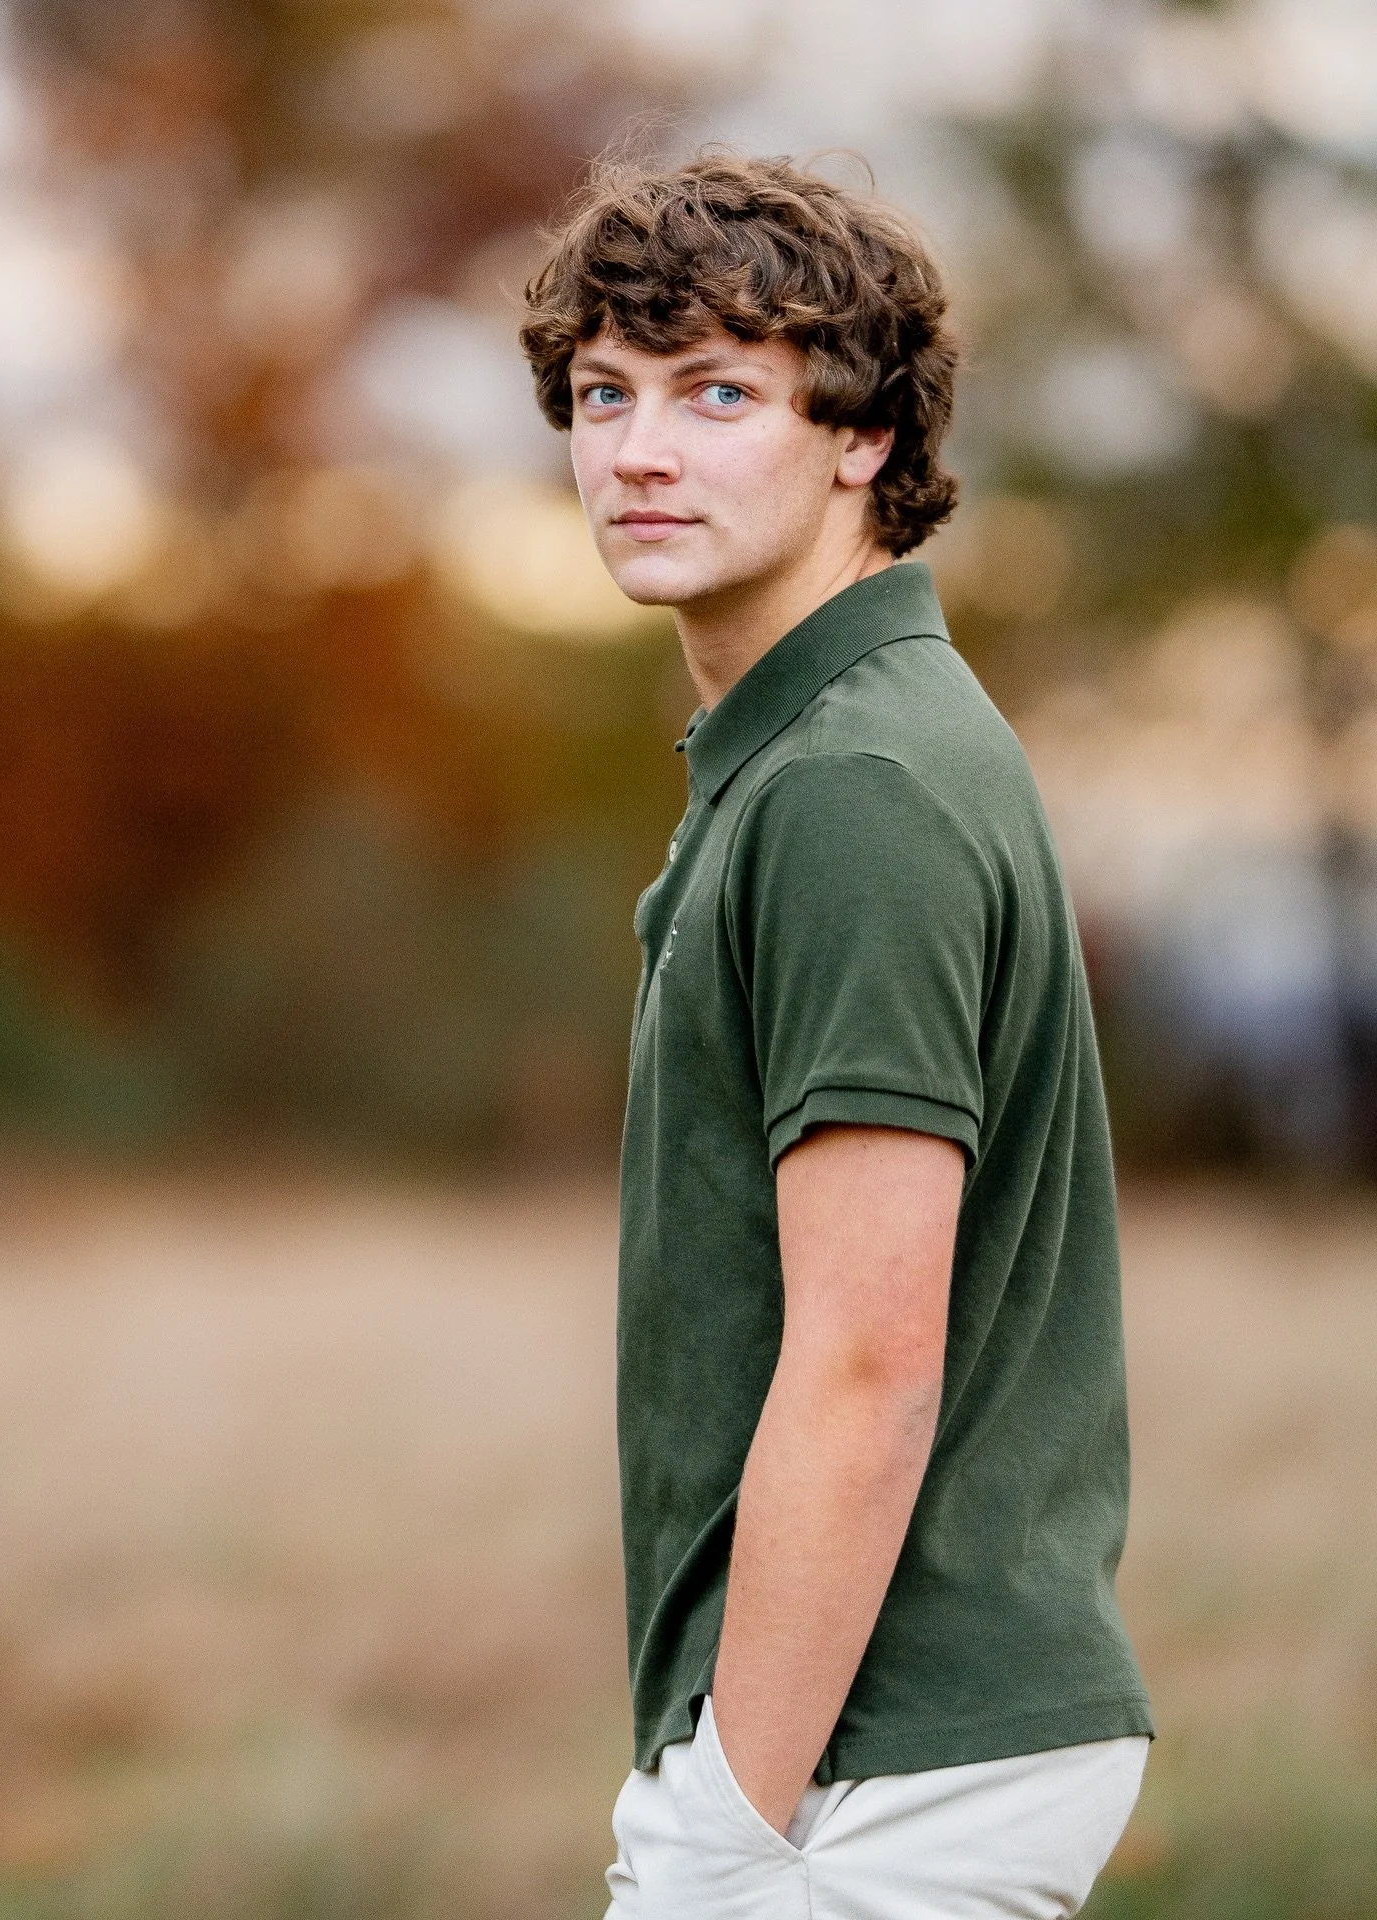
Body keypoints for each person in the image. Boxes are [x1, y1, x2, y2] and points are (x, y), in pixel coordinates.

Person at [519, 149, 1153, 1920]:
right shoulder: (818, 751)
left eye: (720, 393)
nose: (639, 451)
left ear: (862, 434)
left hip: (882, 1764)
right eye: (603, 394)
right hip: (873, 1751)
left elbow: (870, 1363)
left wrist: (729, 1810)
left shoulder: (854, 789)